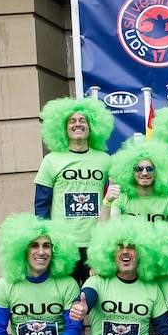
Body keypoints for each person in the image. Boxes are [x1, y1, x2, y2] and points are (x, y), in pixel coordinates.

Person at [34, 97, 114, 284]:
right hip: (63, 244)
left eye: (82, 120)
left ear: (92, 126)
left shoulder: (105, 160)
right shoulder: (51, 160)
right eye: (72, 121)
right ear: (63, 128)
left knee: (96, 297)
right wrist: (45, 240)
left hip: (95, 242)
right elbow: (41, 205)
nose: (78, 124)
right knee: (65, 297)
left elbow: (114, 200)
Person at [105, 139, 168, 222]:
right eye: (139, 169)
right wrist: (107, 201)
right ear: (130, 172)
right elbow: (107, 226)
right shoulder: (121, 197)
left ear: (158, 172)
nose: (144, 173)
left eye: (150, 169)